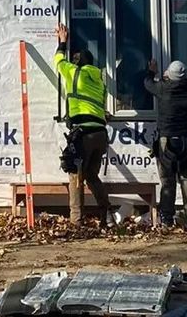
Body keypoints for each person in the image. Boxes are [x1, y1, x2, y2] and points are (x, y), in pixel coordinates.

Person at [54, 24, 113, 226]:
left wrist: (62, 42)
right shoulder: (99, 81)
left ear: (78, 62)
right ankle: (108, 215)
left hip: (84, 134)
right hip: (101, 134)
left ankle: (76, 221)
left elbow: (58, 61)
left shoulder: (74, 73)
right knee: (92, 176)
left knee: (75, 176)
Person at [144, 59, 187, 228]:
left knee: (167, 181)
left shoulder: (163, 88)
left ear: (169, 75)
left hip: (167, 140)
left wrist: (153, 72)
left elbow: (147, 83)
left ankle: (167, 220)